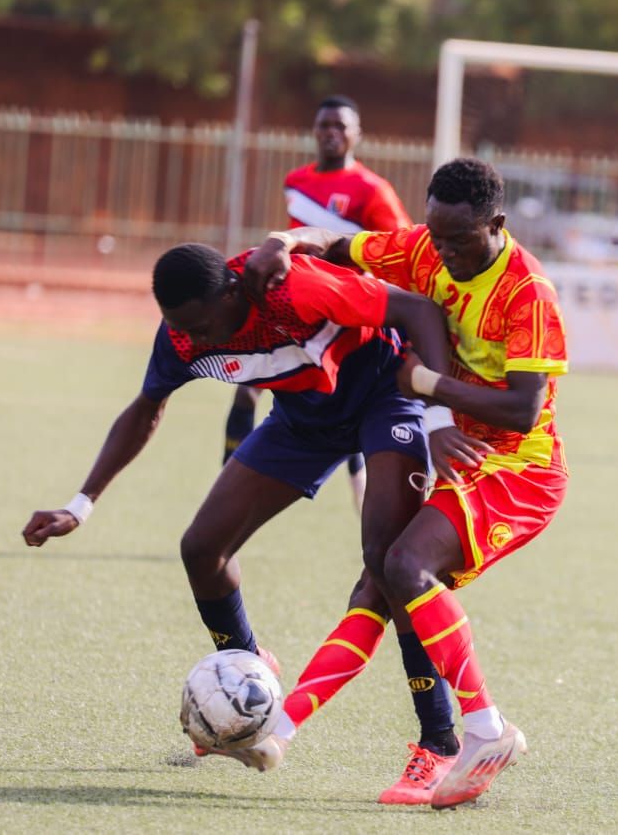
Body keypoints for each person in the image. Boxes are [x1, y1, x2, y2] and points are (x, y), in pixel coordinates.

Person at [21, 241, 472, 803]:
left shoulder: (293, 288)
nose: (199, 340)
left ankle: (440, 742)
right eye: (183, 327)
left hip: (385, 396)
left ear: (233, 292)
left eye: (205, 324)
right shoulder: (183, 335)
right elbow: (146, 407)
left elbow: (418, 310)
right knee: (202, 548)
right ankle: (246, 685)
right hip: (304, 423)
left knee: (387, 563)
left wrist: (436, 414)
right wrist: (80, 503)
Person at [236, 158, 569, 809]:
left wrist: (426, 388)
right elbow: (339, 242)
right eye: (435, 236)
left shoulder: (530, 294)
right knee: (383, 576)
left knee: (406, 563)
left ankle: (483, 728)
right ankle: (277, 728)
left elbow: (525, 409)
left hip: (521, 470)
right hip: (468, 460)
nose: (442, 253)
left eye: (458, 240)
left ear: (495, 224)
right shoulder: (423, 247)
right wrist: (285, 241)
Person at [223, 95, 412, 512]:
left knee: (345, 405)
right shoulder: (296, 181)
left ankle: (363, 495)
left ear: (356, 134)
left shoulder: (373, 190)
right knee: (247, 391)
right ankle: (226, 485)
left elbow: (398, 249)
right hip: (292, 310)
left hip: (346, 315)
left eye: (340, 126)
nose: (331, 133)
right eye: (324, 125)